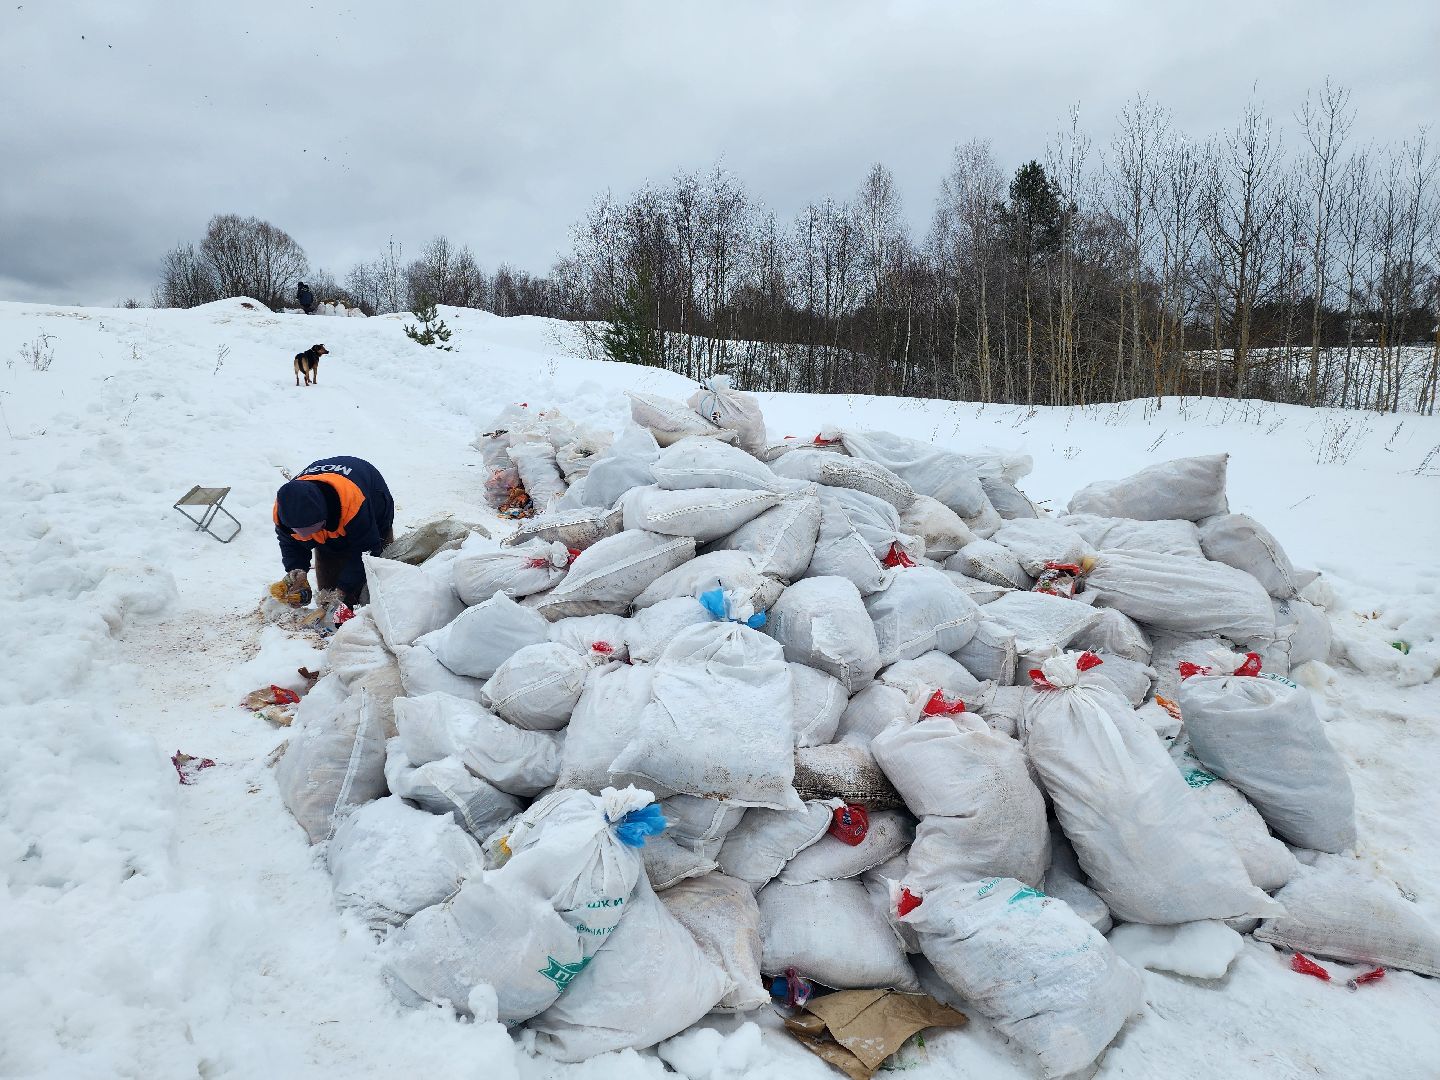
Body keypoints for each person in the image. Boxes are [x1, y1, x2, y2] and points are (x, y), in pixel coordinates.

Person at [273, 456, 395, 607]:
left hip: (373, 506)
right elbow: (290, 543)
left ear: (323, 517)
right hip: (330, 519)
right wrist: (297, 569)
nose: (305, 536)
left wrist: (344, 589)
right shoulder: (284, 511)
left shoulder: (353, 502)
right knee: (329, 597)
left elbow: (367, 550)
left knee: (377, 586)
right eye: (298, 531)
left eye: (311, 529)